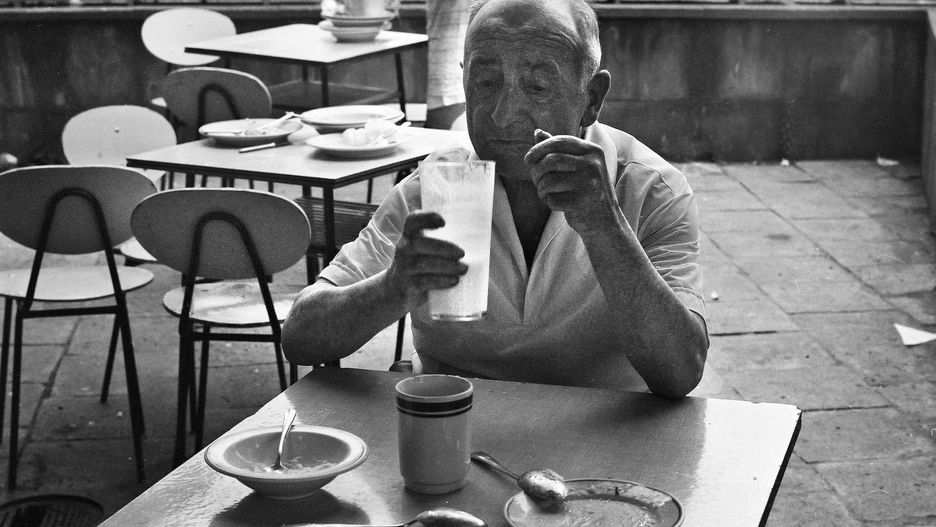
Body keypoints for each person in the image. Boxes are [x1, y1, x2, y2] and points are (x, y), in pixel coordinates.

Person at [283, 0, 708, 398]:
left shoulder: (649, 190)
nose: (503, 115)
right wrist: (392, 288)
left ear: (591, 99)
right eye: (486, 83)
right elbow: (301, 337)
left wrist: (605, 226)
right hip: (454, 421)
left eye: (537, 87)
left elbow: (681, 372)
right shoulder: (436, 188)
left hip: (605, 428)